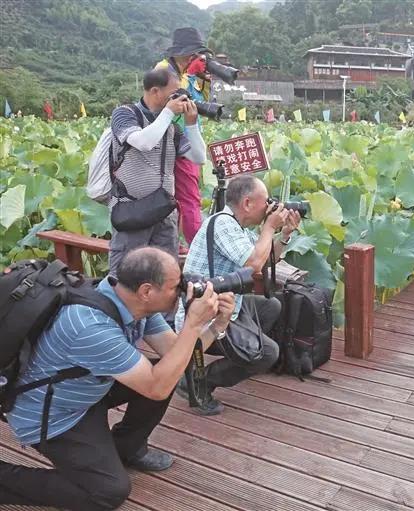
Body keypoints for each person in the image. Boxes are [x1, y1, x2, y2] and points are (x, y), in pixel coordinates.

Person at [0, 247, 234, 510]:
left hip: (85, 389)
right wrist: (192, 323)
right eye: (175, 286)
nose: (182, 290)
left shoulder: (133, 303)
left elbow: (177, 355)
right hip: (52, 414)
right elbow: (157, 387)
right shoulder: (91, 327)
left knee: (166, 368)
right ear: (147, 291)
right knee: (107, 493)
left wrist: (216, 326)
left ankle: (125, 448)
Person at [174, 174, 301, 414]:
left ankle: (243, 356)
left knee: (272, 306)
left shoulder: (238, 227)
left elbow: (264, 258)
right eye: (266, 202)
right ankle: (197, 380)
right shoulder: (223, 223)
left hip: (227, 303)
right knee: (268, 353)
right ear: (247, 203)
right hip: (203, 314)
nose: (269, 208)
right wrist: (269, 226)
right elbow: (253, 263)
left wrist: (283, 235)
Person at [108, 68, 206, 276]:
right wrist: (168, 112)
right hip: (131, 210)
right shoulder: (125, 114)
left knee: (165, 278)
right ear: (155, 91)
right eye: (173, 93)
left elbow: (199, 158)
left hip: (164, 213)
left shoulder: (171, 128)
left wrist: (191, 125)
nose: (178, 98)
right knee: (125, 276)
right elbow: (143, 142)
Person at [156, 27, 213, 248]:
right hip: (173, 142)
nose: (196, 58)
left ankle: (181, 242)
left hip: (183, 139)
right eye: (194, 54)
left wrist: (203, 78)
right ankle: (197, 248)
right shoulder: (164, 70)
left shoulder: (183, 74)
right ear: (184, 52)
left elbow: (200, 102)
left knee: (182, 198)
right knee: (189, 199)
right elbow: (167, 102)